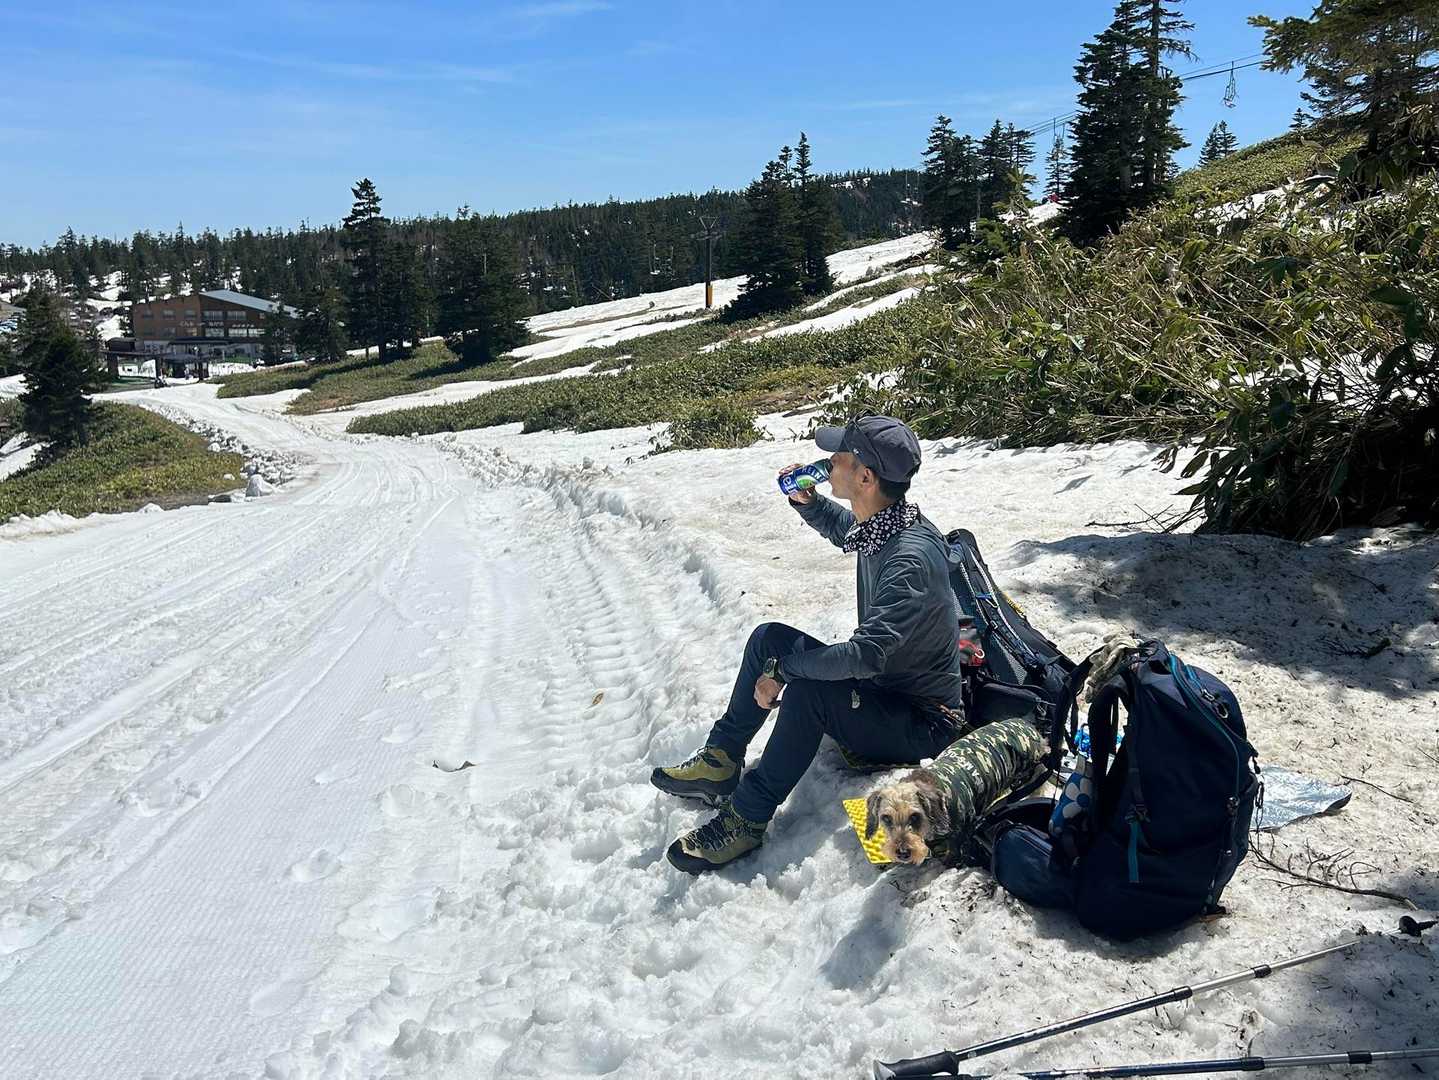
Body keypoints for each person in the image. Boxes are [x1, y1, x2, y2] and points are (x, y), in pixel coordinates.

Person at [652, 415, 968, 873]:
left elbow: (864, 656)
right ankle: (720, 760)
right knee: (769, 639)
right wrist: (811, 503)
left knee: (808, 691)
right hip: (885, 690)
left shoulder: (909, 559)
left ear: (865, 477)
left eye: (839, 456)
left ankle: (745, 819)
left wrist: (784, 671)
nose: (828, 461)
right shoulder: (891, 521)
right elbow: (851, 532)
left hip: (922, 721)